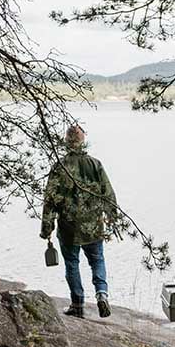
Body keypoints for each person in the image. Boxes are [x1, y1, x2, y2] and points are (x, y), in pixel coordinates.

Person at [40, 124, 118, 319]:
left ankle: (77, 304)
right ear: (83, 142)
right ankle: (101, 293)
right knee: (97, 260)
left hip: (69, 227)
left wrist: (46, 228)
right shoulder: (95, 164)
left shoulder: (59, 167)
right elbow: (108, 193)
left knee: (72, 264)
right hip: (93, 226)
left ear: (66, 142)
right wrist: (112, 217)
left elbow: (50, 200)